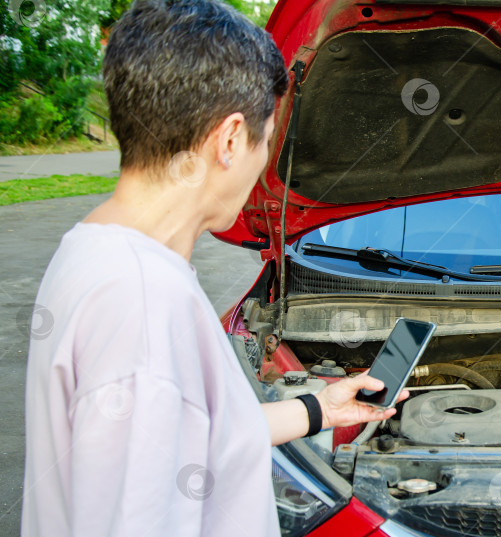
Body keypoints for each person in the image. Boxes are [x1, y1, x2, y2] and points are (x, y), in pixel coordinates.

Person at [20, 1, 406, 535]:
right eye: (265, 142)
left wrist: (319, 409)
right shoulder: (143, 305)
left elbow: (196, 435)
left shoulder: (98, 253)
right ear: (228, 141)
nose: (262, 164)